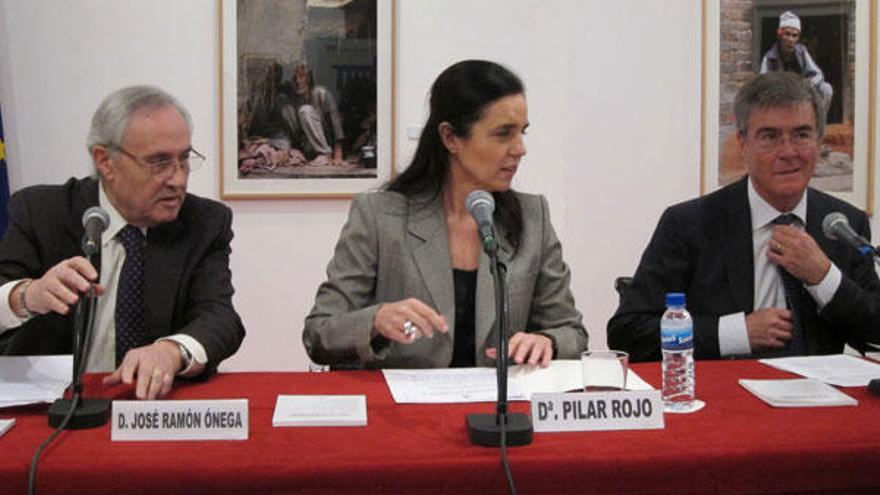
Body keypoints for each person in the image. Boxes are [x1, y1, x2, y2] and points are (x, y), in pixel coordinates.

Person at [303, 60, 588, 368]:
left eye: (522, 133)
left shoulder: (534, 217)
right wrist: (376, 319)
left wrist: (548, 341)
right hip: (404, 412)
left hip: (501, 409)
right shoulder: (379, 216)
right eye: (504, 134)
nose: (520, 149)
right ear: (451, 137)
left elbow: (572, 331)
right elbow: (319, 334)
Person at [607, 71, 880, 362]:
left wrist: (824, 277)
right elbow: (629, 333)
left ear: (819, 141)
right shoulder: (690, 224)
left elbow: (874, 336)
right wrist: (737, 333)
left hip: (821, 402)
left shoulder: (842, 224)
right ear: (743, 143)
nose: (788, 151)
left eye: (801, 134)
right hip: (723, 400)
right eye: (769, 136)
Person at [0, 86, 246, 398]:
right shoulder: (41, 211)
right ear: (105, 161)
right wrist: (26, 296)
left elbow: (219, 318)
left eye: (184, 159)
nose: (178, 179)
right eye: (159, 162)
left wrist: (172, 351)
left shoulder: (203, 222)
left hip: (149, 405)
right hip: (50, 405)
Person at [760, 11, 833, 114]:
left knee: (826, 89)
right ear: (780, 34)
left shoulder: (801, 51)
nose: (790, 39)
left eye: (794, 36)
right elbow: (763, 87)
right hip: (780, 99)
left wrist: (804, 87)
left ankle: (817, 125)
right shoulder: (769, 58)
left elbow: (818, 74)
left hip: (801, 94)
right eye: (787, 34)